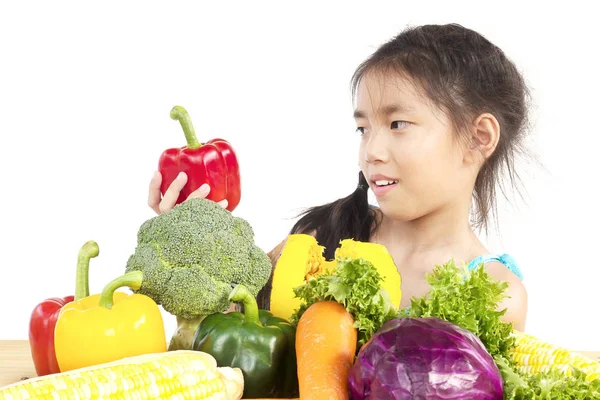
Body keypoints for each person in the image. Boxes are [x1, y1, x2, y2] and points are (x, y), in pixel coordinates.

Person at [148, 23, 530, 331]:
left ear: (479, 138)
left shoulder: (497, 294)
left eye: (398, 124)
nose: (372, 151)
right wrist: (192, 241)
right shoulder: (324, 235)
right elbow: (222, 330)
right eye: (363, 128)